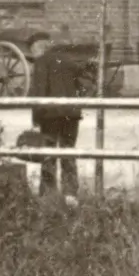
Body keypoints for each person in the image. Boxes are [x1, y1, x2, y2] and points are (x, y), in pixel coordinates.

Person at [23, 26, 95, 194]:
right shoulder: (68, 60)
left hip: (50, 115)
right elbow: (85, 83)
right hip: (71, 114)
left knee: (48, 154)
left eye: (32, 51)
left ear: (37, 48)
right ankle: (70, 194)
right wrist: (79, 103)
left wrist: (35, 118)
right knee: (68, 152)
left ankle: (48, 193)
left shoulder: (41, 62)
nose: (33, 55)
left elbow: (39, 93)